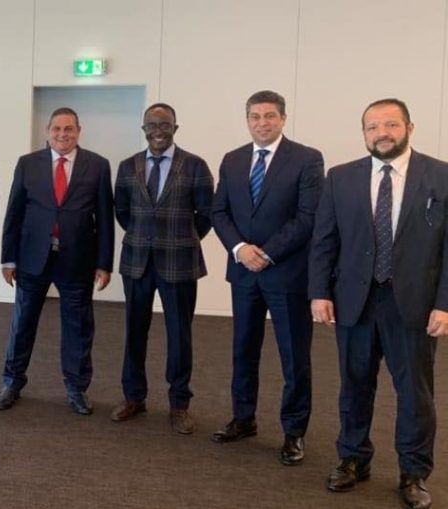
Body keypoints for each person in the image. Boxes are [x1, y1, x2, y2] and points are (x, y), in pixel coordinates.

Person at [310, 98, 447, 509]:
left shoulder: (440, 176)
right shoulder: (340, 177)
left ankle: (413, 472)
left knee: (415, 394)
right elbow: (324, 241)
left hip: (414, 304)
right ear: (364, 133)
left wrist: (444, 303)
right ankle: (353, 459)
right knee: (354, 386)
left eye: (391, 125)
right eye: (372, 127)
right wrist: (319, 292)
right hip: (355, 301)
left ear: (409, 127)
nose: (381, 133)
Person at [210, 90, 324, 465]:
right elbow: (219, 212)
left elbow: (308, 217)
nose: (262, 123)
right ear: (247, 120)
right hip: (243, 272)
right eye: (255, 116)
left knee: (294, 356)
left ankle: (294, 432)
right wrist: (240, 248)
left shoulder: (307, 159)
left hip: (287, 274)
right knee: (243, 349)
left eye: (270, 116)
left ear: (283, 118)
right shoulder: (232, 159)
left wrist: (268, 253)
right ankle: (243, 418)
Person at [0, 107, 113, 415]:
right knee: (23, 323)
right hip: (32, 257)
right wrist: (8, 259)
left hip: (77, 258)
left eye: (69, 129)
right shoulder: (28, 163)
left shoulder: (98, 165)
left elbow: (105, 218)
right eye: (57, 129)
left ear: (78, 131)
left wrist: (104, 263)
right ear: (48, 131)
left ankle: (76, 387)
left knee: (78, 326)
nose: (63, 134)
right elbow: (14, 213)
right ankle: (12, 382)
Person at [110, 103, 213, 434]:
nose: (158, 130)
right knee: (134, 332)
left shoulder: (195, 165)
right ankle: (134, 397)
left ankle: (179, 404)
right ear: (144, 130)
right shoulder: (128, 166)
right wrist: (145, 237)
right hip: (137, 261)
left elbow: (206, 215)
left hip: (179, 262)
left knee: (179, 335)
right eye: (152, 125)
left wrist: (181, 239)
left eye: (165, 124)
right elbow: (122, 212)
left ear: (175, 128)